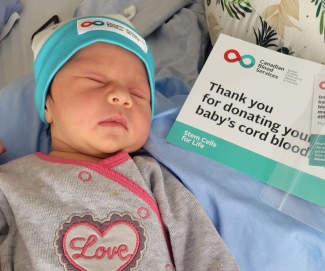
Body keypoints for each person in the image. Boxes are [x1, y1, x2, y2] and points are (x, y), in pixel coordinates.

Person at [0, 14, 239, 270]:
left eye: (138, 94)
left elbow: (204, 252)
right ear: (48, 105)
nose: (122, 96)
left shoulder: (153, 179)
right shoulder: (12, 183)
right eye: (95, 80)